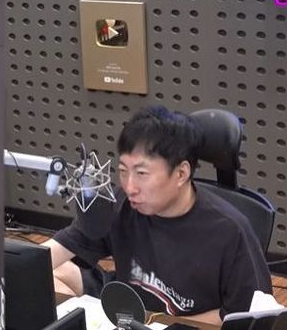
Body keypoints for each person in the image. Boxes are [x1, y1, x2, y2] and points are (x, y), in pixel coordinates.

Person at [44, 106, 272, 324]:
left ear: (181, 173)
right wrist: (25, 265)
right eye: (123, 171)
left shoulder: (230, 231)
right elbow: (59, 248)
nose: (130, 187)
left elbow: (244, 315)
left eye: (142, 173)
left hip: (179, 322)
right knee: (51, 271)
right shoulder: (122, 202)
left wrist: (158, 324)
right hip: (128, 305)